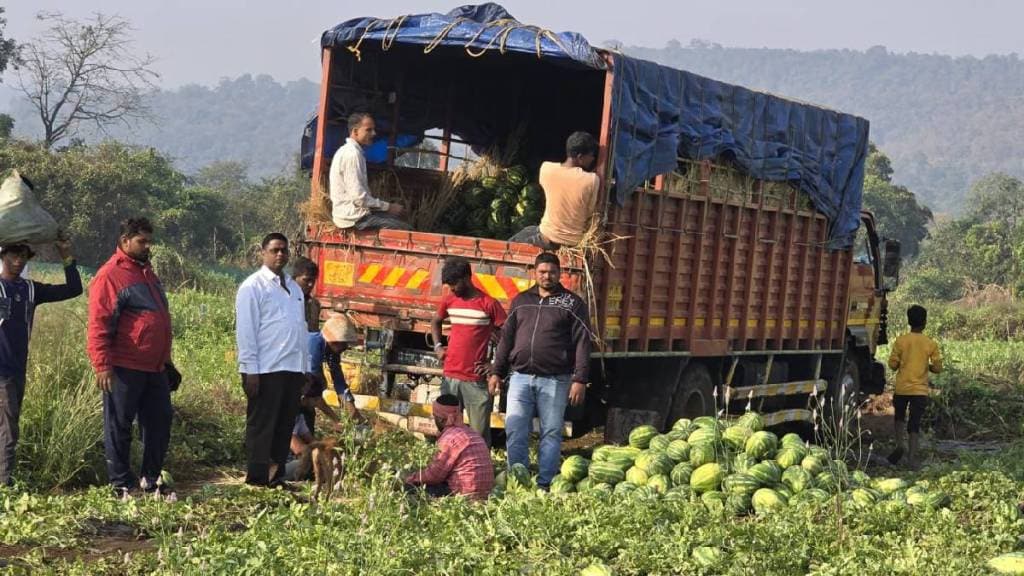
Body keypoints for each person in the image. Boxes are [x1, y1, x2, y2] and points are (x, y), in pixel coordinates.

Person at [87, 218, 175, 498]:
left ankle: (149, 478)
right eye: (142, 241)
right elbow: (99, 323)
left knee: (160, 421)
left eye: (149, 241)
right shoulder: (110, 275)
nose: (148, 246)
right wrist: (102, 364)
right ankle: (120, 483)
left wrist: (167, 361)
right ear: (125, 241)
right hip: (125, 365)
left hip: (154, 367)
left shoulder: (147, 273)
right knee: (120, 425)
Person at [488, 252, 591, 488]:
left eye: (552, 272)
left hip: (555, 380)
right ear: (534, 273)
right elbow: (506, 339)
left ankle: (545, 483)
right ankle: (518, 480)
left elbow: (583, 343)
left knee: (552, 432)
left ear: (559, 274)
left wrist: (580, 379)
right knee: (515, 430)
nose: (547, 276)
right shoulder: (521, 300)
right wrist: (496, 371)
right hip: (520, 378)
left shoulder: (572, 303)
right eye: (542, 272)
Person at [0, 239, 82, 486]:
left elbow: (73, 289)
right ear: (3, 255)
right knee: (8, 429)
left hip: (17, 369)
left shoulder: (30, 290)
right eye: (14, 254)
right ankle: (3, 486)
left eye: (24, 255)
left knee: (7, 425)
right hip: (1, 372)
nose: (19, 260)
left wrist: (66, 256)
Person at [236, 233, 310, 487]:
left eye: (284, 250)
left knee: (283, 425)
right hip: (265, 369)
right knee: (262, 426)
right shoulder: (252, 287)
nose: (280, 254)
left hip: (291, 368)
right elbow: (246, 332)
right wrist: (250, 371)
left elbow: (300, 329)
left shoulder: (294, 288)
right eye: (275, 250)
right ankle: (257, 479)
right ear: (263, 253)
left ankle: (275, 476)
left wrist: (305, 368)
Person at [431, 257, 506, 446]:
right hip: (450, 378)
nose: (452, 289)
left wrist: (495, 365)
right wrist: (438, 347)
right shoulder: (449, 300)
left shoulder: (489, 304)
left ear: (467, 278)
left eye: (454, 284)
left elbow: (508, 336)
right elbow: (435, 322)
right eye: (449, 285)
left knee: (478, 436)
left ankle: (479, 472)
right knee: (447, 432)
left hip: (476, 382)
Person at [509, 131, 600, 249]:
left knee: (508, 244)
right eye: (591, 155)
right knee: (529, 229)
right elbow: (590, 211)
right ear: (580, 157)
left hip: (548, 236)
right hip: (571, 241)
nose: (593, 158)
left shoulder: (547, 169)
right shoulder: (592, 180)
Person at [402, 394, 494, 501]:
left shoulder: (449, 438)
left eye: (434, 417)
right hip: (485, 494)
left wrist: (411, 478)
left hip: (463, 495)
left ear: (440, 419)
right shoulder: (473, 433)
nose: (434, 420)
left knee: (410, 489)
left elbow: (434, 476)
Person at [330, 112, 410, 231]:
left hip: (358, 213)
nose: (373, 133)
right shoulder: (352, 155)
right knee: (404, 230)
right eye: (368, 130)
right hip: (353, 217)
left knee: (399, 221)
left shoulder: (353, 152)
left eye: (373, 130)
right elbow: (359, 198)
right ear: (355, 132)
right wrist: (389, 207)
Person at [887, 304, 943, 469]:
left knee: (899, 418)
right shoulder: (930, 344)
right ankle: (912, 459)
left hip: (902, 389)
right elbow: (938, 368)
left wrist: (900, 364)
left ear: (909, 321)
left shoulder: (901, 341)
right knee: (915, 423)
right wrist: (929, 367)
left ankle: (899, 445)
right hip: (919, 391)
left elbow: (892, 364)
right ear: (924, 322)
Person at [291, 256, 321, 332]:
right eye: (306, 280)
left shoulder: (314, 304)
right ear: (294, 278)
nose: (310, 284)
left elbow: (314, 332)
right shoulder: (284, 301)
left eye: (313, 280)